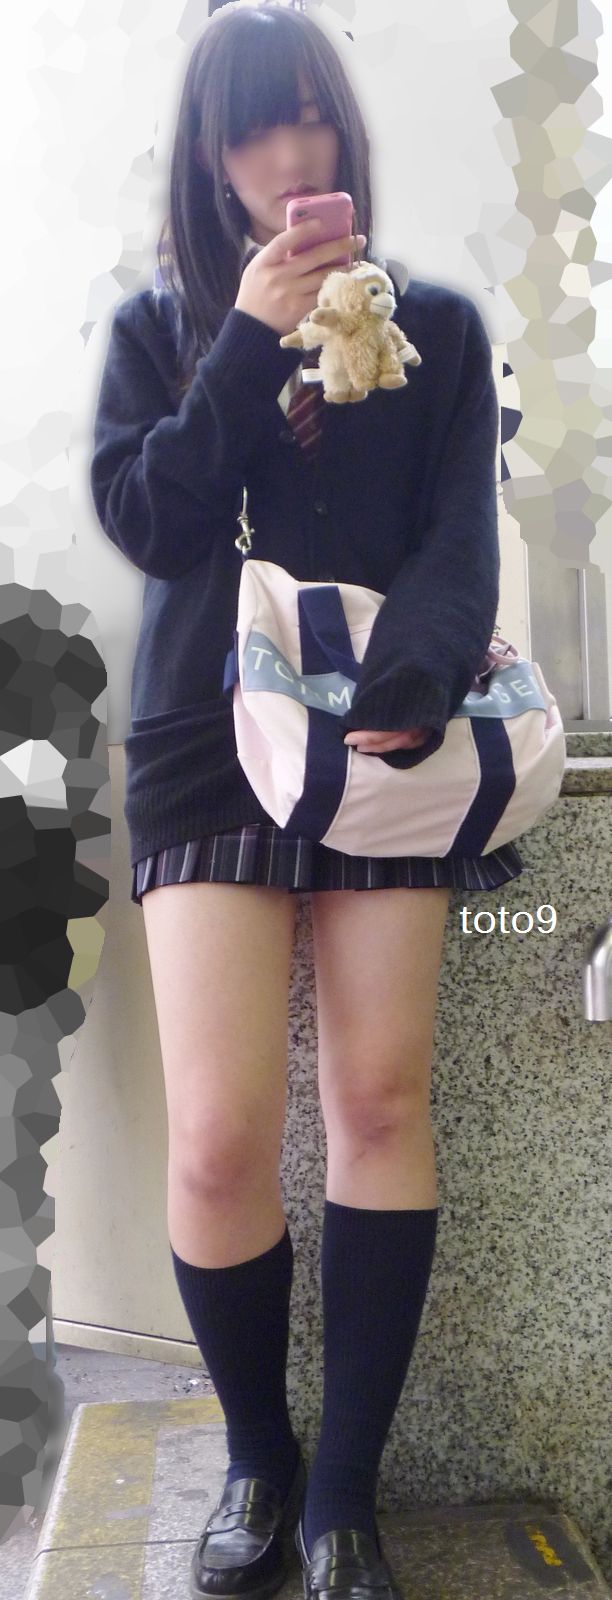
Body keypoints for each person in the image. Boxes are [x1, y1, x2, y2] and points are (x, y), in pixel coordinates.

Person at [89, 4, 524, 1597]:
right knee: (217, 1136)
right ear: (211, 159)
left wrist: (414, 683)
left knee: (381, 1101)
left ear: (343, 133)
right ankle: (258, 1464)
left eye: (310, 120)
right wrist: (240, 343)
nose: (287, 153)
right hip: (207, 736)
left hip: (385, 733)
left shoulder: (438, 329)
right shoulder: (160, 328)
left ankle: (344, 1497)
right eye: (252, 129)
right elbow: (154, 521)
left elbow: (460, 539)